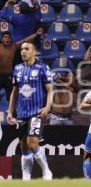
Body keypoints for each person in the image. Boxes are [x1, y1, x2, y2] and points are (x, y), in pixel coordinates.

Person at [7, 42, 53, 180]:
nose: (23, 52)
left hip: (37, 112)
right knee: (24, 147)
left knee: (33, 143)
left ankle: (46, 171)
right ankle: (26, 177)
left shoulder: (42, 68)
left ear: (34, 52)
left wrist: (48, 107)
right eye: (21, 49)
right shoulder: (17, 69)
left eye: (27, 49)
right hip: (21, 114)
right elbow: (14, 92)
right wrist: (10, 112)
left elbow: (50, 90)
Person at [0, 29, 43, 102]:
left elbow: (24, 41)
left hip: (9, 76)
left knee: (11, 96)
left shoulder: (13, 47)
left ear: (11, 39)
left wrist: (36, 34)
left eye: (8, 37)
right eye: (5, 37)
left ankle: (11, 111)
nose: (7, 39)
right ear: (1, 39)